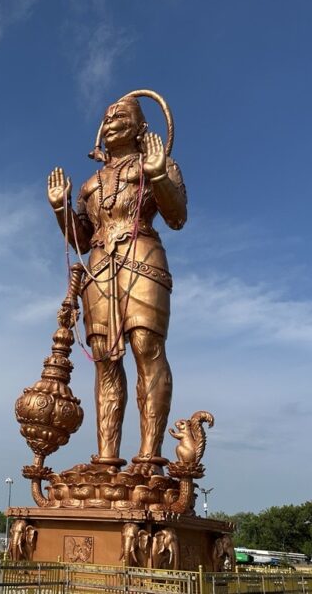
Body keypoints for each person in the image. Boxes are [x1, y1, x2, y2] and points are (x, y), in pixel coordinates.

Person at [47, 94, 187, 475]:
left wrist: (158, 174)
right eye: (107, 117)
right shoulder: (91, 184)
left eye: (121, 115)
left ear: (142, 127)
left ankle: (149, 457)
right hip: (99, 265)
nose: (111, 121)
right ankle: (107, 458)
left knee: (146, 346)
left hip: (142, 254)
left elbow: (177, 217)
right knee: (105, 359)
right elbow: (79, 239)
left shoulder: (155, 164)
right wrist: (61, 208)